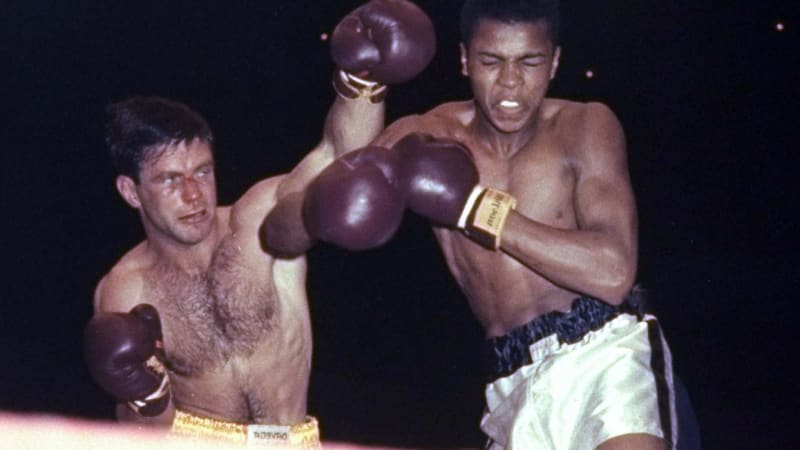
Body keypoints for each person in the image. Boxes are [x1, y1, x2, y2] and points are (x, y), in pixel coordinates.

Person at [273, 0, 680, 448]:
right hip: (507, 379)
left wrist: (473, 208)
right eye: (491, 61)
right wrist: (358, 89)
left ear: (555, 62)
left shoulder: (586, 125)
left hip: (606, 354)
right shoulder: (428, 135)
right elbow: (283, 230)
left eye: (530, 62)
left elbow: (613, 273)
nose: (511, 83)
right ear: (465, 59)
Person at [83, 1, 435, 447]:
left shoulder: (255, 225)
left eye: (203, 172)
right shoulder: (125, 289)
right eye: (171, 180)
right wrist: (148, 397)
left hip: (293, 437)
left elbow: (336, 158)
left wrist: (361, 82)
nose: (194, 195)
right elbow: (143, 433)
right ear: (131, 192)